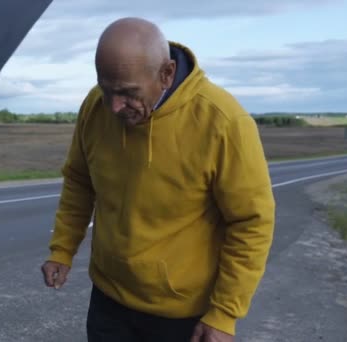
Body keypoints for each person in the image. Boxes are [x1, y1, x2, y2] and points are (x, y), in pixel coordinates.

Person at [41, 17, 276, 342]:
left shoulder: (223, 122)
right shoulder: (96, 107)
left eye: (126, 93)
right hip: (108, 301)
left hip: (181, 316)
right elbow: (80, 182)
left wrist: (224, 313)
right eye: (106, 89)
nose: (113, 106)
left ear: (166, 74)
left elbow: (251, 223)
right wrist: (62, 249)